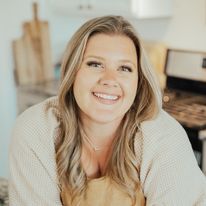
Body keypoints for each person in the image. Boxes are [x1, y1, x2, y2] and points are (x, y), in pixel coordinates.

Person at [9, 15, 206, 206]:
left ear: (138, 81)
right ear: (72, 71)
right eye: (95, 64)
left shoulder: (163, 137)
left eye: (125, 68)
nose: (110, 79)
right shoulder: (36, 129)